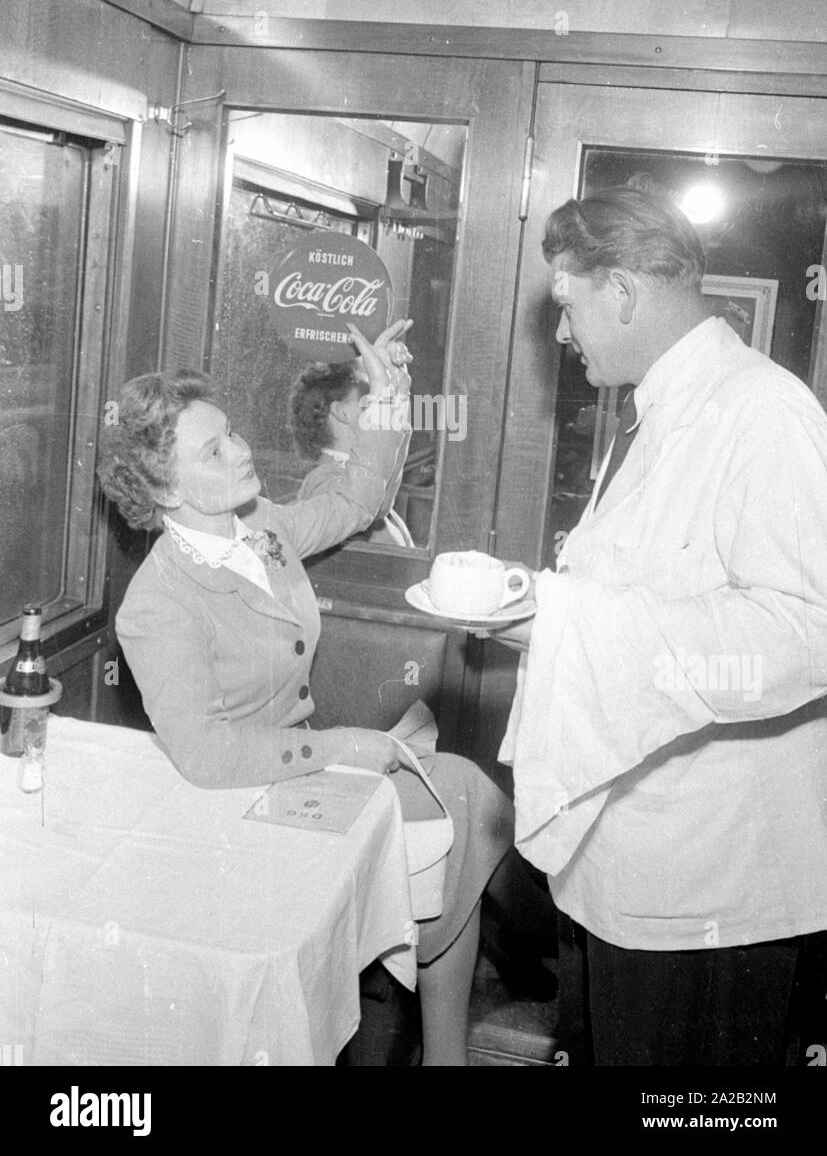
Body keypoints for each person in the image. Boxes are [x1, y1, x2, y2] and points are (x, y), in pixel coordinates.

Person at [97, 321, 513, 1067]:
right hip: (232, 802)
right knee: (468, 799)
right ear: (163, 486)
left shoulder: (261, 528)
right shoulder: (156, 603)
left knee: (468, 804)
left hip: (299, 770)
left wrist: (389, 402)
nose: (243, 451)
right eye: (213, 450)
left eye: (233, 434)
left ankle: (443, 1052)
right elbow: (206, 753)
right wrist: (346, 748)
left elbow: (356, 496)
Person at [496, 184, 827, 1065]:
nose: (561, 335)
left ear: (623, 293)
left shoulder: (763, 413)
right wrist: (551, 621)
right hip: (634, 861)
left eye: (568, 308)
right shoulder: (653, 410)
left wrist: (568, 624)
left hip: (709, 883)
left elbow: (805, 636)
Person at [289, 359, 413, 546]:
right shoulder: (324, 485)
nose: (378, 403)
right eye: (368, 396)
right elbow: (371, 502)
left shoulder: (354, 478)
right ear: (342, 412)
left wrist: (400, 391)